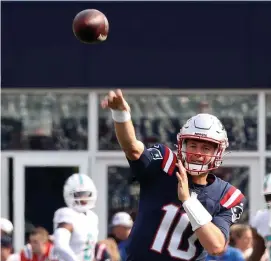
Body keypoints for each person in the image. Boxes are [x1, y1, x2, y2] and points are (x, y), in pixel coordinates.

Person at [101, 89, 246, 261]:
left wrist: (188, 201)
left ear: (218, 153)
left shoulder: (227, 195)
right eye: (193, 145)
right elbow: (133, 148)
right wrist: (121, 114)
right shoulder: (165, 163)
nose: (198, 153)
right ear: (182, 145)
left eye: (206, 148)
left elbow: (216, 246)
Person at [53, 173, 99, 261]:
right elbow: (60, 245)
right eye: (78, 194)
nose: (83, 198)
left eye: (86, 194)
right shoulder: (67, 214)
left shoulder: (93, 217)